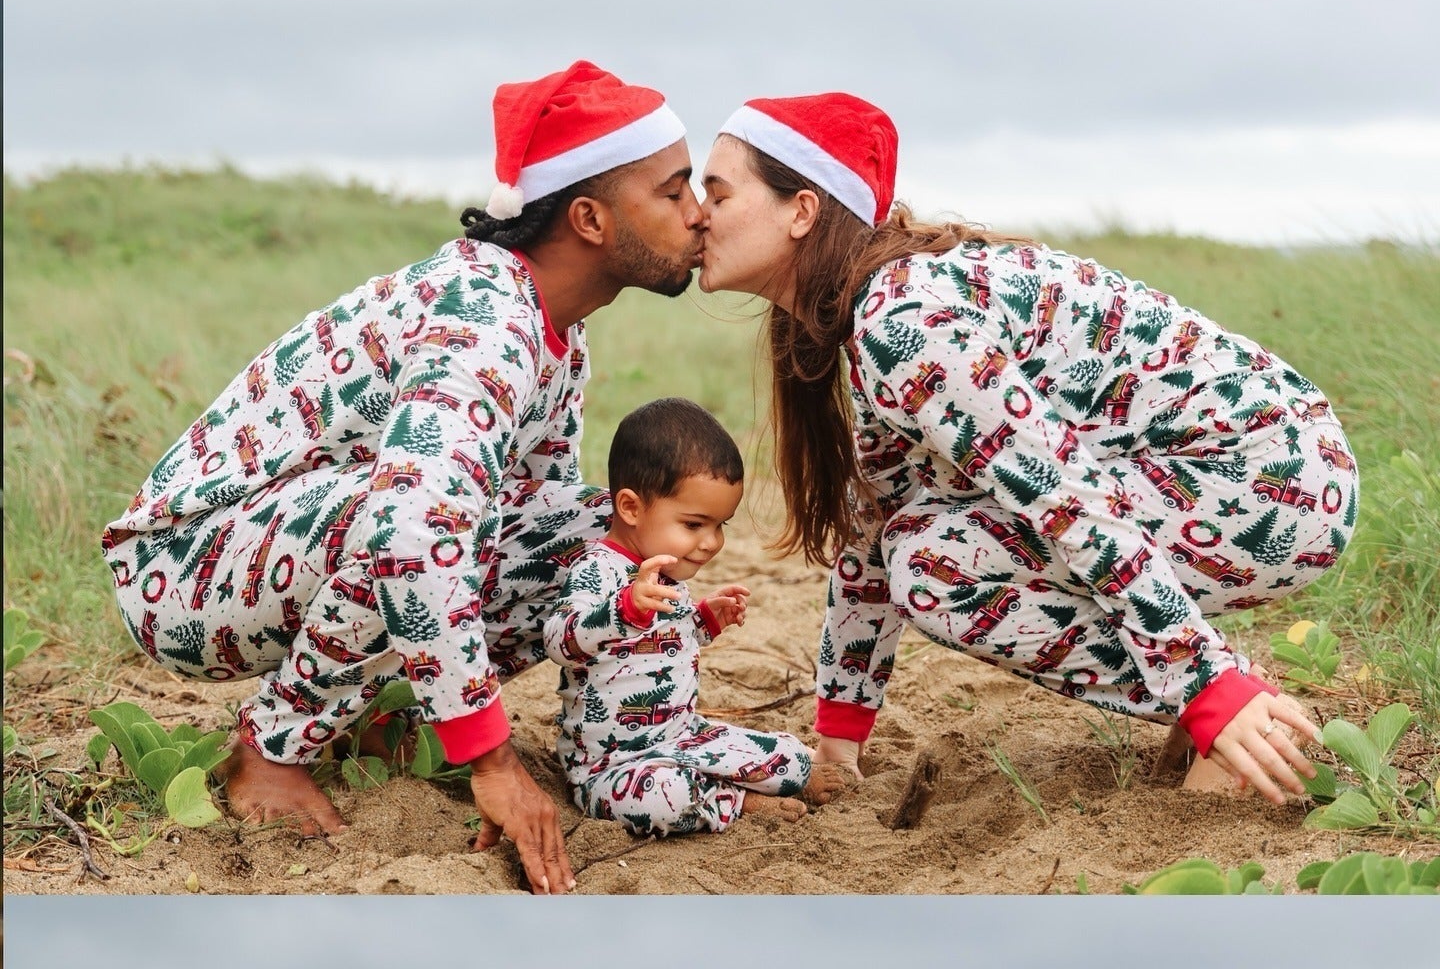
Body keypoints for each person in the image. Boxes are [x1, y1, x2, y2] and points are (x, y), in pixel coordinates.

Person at [101, 61, 706, 893]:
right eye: (675, 193)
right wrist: (489, 757)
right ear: (591, 219)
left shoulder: (552, 325)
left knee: (595, 533)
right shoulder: (486, 320)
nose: (699, 213)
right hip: (181, 572)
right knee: (413, 520)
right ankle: (272, 751)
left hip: (295, 543)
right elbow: (411, 531)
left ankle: (398, 718)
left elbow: (536, 519)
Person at [699, 95, 1358, 807]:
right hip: (1234, 472)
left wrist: (1204, 686)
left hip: (1264, 478)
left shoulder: (904, 322)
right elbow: (872, 527)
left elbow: (1066, 499)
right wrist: (838, 741)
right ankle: (1217, 695)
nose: (698, 214)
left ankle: (1234, 706)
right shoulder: (875, 315)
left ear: (800, 211)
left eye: (718, 192)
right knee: (913, 536)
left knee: (935, 562)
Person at [542, 397, 844, 835]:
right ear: (630, 507)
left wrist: (704, 619)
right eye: (694, 524)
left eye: (721, 525)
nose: (711, 542)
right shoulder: (598, 569)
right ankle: (738, 803)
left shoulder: (664, 570)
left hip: (683, 736)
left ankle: (739, 783)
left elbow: (663, 640)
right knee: (665, 797)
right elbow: (560, 640)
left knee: (793, 757)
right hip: (612, 764)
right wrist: (622, 609)